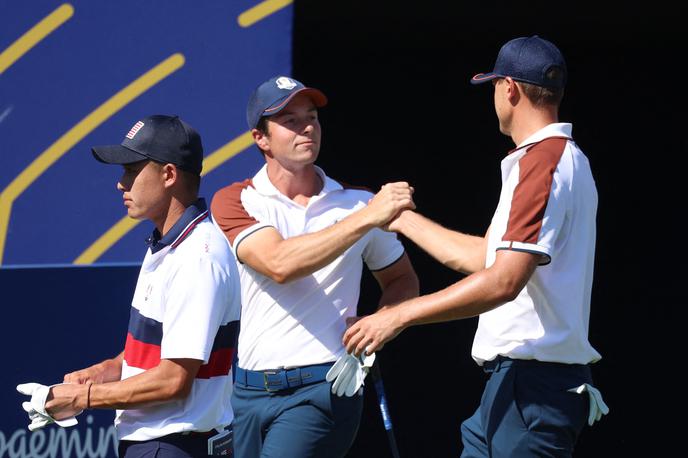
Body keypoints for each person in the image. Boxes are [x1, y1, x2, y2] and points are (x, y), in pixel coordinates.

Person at [343, 36, 608, 457]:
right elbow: (481, 257)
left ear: (509, 89)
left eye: (493, 86)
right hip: (513, 390)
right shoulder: (550, 158)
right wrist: (399, 217)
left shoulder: (543, 162)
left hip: (532, 392)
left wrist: (399, 316)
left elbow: (503, 281)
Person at [210, 75, 419, 458]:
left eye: (312, 117)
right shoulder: (235, 199)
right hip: (246, 392)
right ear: (261, 138)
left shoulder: (356, 202)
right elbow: (278, 263)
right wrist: (367, 218)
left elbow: (402, 279)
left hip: (324, 388)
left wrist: (383, 320)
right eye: (290, 121)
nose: (307, 127)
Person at [17, 114, 241, 457]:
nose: (121, 184)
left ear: (168, 175)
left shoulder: (197, 257)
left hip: (173, 446)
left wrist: (82, 397)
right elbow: (156, 354)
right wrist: (100, 373)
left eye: (132, 171)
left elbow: (173, 380)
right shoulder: (172, 245)